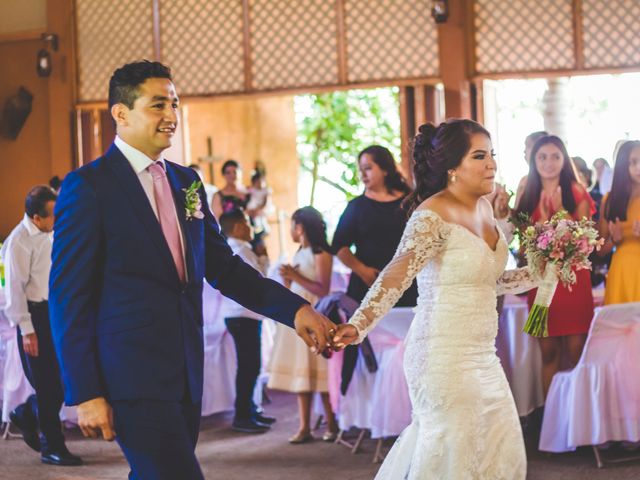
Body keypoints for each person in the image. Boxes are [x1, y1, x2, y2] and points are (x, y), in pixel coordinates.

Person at [48, 60, 335, 480]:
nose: (171, 116)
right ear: (121, 113)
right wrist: (85, 391)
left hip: (185, 366)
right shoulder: (89, 186)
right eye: (158, 105)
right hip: (130, 375)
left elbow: (225, 269)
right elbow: (68, 296)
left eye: (175, 104)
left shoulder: (188, 183)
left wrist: (294, 311)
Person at [333, 120, 538, 479]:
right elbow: (397, 275)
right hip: (442, 357)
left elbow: (488, 281)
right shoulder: (431, 214)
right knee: (454, 455)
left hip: (483, 356)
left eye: (492, 154)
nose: (491, 164)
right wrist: (359, 323)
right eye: (479, 156)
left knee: (498, 446)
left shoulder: (485, 210)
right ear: (452, 168)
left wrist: (538, 272)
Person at [1, 186, 82, 466]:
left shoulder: (51, 233)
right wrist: (27, 330)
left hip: (54, 314)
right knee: (49, 387)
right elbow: (12, 291)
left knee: (61, 383)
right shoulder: (18, 242)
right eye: (53, 215)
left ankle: (26, 411)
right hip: (33, 317)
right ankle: (51, 447)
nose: (57, 218)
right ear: (37, 217)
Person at [515, 135, 595, 395]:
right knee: (548, 353)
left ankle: (575, 420)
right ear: (533, 160)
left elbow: (584, 238)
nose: (548, 163)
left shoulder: (577, 191)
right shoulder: (526, 189)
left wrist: (559, 211)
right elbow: (524, 237)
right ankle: (552, 422)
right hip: (540, 282)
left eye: (555, 156)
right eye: (542, 157)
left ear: (564, 159)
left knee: (575, 352)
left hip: (573, 280)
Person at [268, 207, 338, 444]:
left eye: (292, 225)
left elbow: (322, 288)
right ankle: (304, 426)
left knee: (320, 370)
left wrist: (295, 277)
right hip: (299, 316)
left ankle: (332, 424)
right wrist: (288, 280)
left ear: (300, 227)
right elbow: (296, 288)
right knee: (302, 371)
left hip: (316, 313)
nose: (290, 230)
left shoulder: (321, 253)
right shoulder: (299, 253)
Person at [332, 145, 416, 306]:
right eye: (361, 170)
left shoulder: (409, 203)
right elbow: (339, 246)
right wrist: (362, 271)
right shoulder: (356, 206)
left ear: (385, 169)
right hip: (367, 288)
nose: (363, 174)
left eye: (368, 168)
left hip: (407, 287)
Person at [218, 209, 275, 433]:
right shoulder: (240, 249)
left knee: (251, 365)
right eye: (248, 224)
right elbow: (259, 280)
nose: (251, 228)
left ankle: (250, 409)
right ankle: (243, 415)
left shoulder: (238, 248)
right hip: (243, 314)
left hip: (243, 314)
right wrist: (263, 257)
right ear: (239, 227)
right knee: (249, 366)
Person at [598, 140, 640, 304]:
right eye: (633, 162)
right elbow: (600, 250)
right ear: (623, 165)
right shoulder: (610, 199)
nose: (638, 168)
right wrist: (614, 239)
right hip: (621, 271)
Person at [514, 130, 548, 208]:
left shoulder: (552, 180)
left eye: (528, 146)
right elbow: (517, 215)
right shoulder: (524, 181)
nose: (524, 151)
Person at [246, 168, 272, 248]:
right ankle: (257, 230)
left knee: (261, 220)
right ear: (254, 183)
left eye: (262, 181)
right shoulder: (252, 190)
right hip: (252, 207)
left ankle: (263, 230)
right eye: (257, 182)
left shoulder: (266, 191)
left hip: (261, 208)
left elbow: (265, 202)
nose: (260, 184)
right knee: (255, 221)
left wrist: (259, 209)